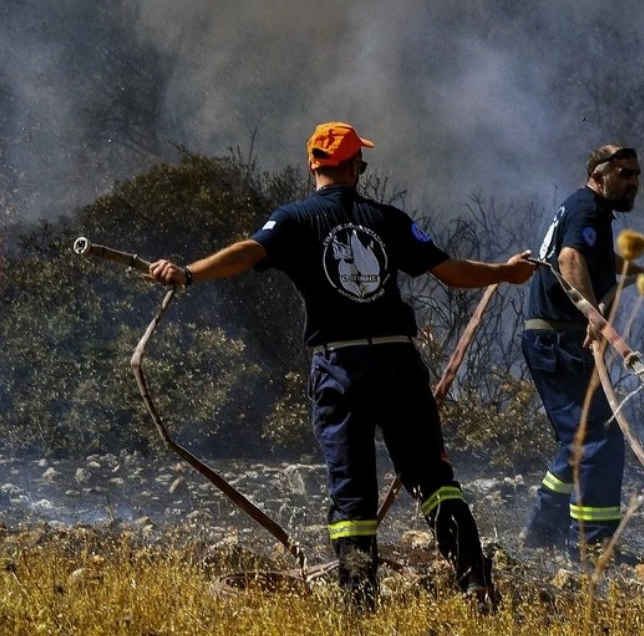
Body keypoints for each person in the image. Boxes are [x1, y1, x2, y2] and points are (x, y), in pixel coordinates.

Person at [150, 121, 534, 610]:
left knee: (352, 495)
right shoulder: (388, 219)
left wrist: (188, 273)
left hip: (340, 366)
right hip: (397, 360)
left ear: (312, 164)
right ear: (355, 167)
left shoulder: (292, 219)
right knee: (433, 481)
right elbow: (452, 272)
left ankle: (358, 606)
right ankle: (477, 586)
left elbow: (249, 253)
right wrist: (507, 271)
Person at [520, 143, 644, 559]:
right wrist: (595, 315)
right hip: (560, 340)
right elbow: (571, 257)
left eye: (636, 175)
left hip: (551, 338)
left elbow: (593, 256)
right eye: (624, 174)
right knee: (600, 438)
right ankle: (592, 545)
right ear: (599, 175)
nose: (633, 183)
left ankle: (543, 532)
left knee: (578, 438)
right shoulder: (589, 209)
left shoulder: (585, 209)